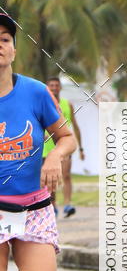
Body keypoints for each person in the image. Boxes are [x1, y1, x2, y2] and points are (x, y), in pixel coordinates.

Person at [0, 14, 76, 271]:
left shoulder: (33, 92)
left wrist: (55, 159)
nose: (0, 44)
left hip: (33, 208)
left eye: (5, 38)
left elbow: (66, 137)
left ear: (14, 48)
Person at [43, 75, 85, 217]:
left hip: (64, 145)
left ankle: (67, 204)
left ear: (60, 87)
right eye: (51, 85)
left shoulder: (68, 104)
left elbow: (76, 127)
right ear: (47, 88)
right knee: (51, 178)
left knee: (66, 175)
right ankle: (52, 205)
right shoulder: (42, 104)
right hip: (46, 147)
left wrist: (81, 148)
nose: (54, 88)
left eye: (56, 85)